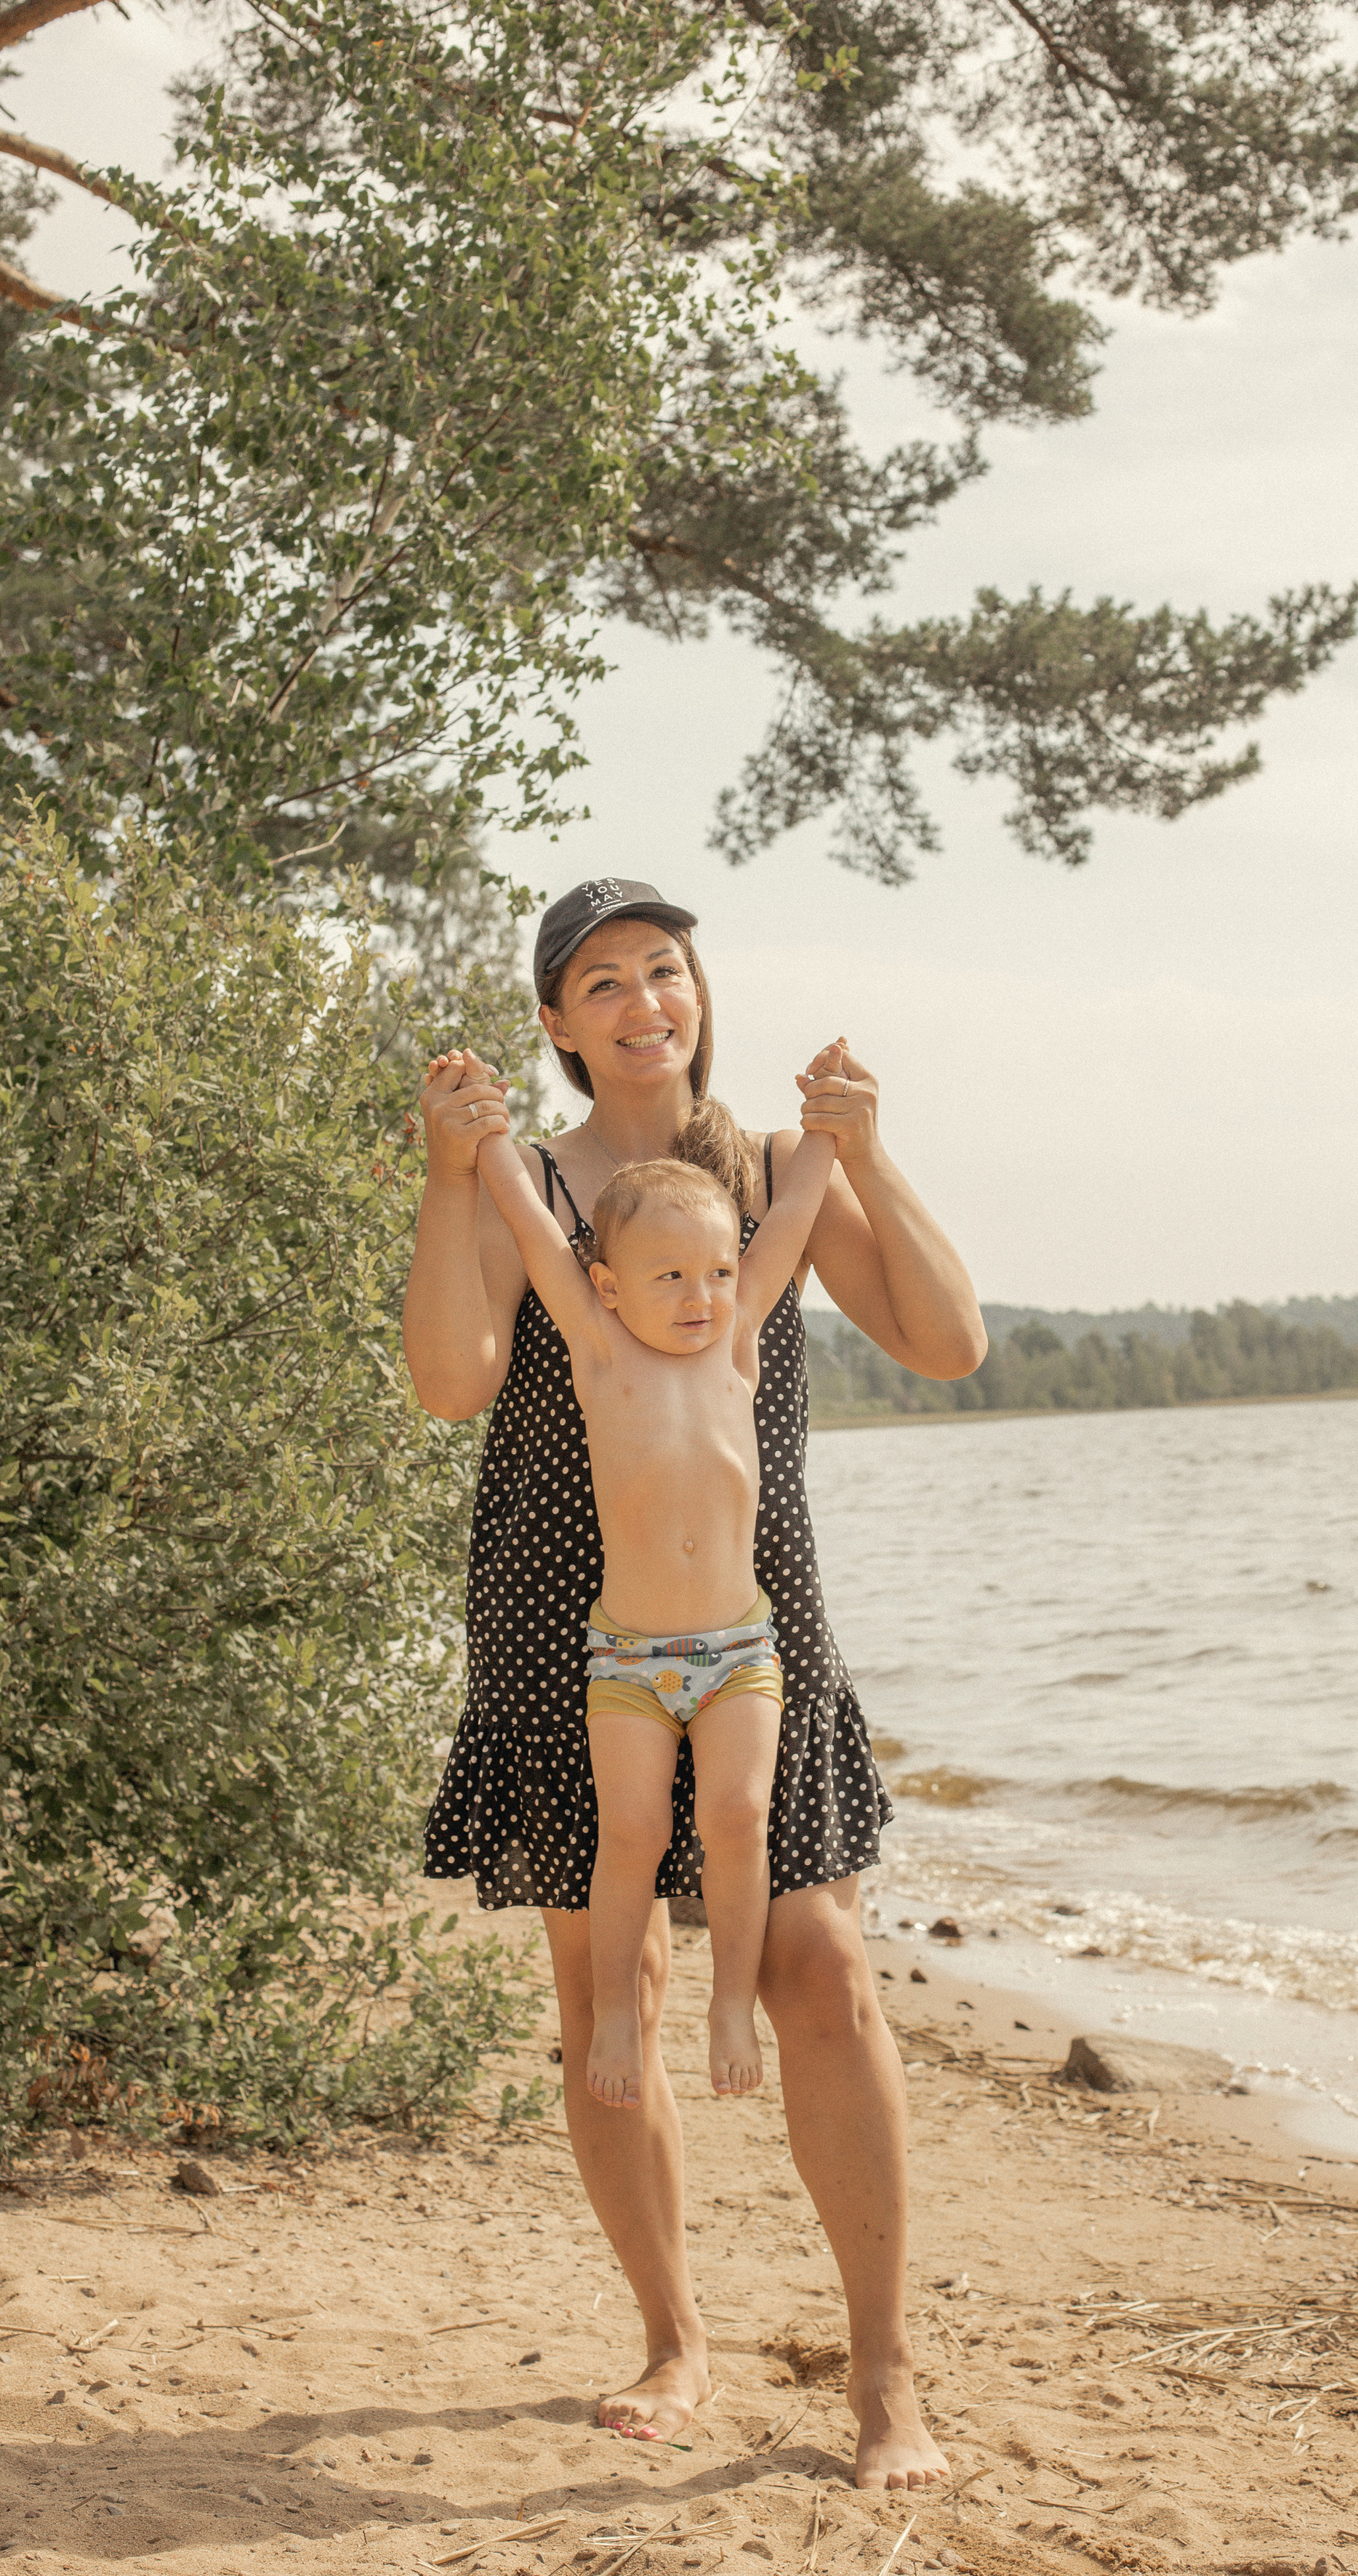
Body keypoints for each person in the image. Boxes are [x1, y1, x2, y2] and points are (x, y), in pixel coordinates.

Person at [402, 874, 986, 2490]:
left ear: (695, 991)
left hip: (749, 1616)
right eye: (602, 981)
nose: (643, 999)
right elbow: (453, 1383)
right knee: (610, 1998)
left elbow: (947, 1343)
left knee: (821, 1974)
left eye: (664, 969)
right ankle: (672, 2335)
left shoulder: (767, 1175)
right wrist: (454, 1181)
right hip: (553, 1613)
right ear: (556, 1023)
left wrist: (860, 1148)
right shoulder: (528, 1180)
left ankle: (883, 2378)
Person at [442, 1044, 842, 2109]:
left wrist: (834, 1129)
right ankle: (618, 2004)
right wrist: (480, 1145)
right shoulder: (599, 1347)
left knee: (741, 1818)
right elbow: (534, 1228)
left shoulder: (739, 1340)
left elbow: (794, 1218)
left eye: (717, 1272)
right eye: (671, 1277)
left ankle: (730, 2003)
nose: (705, 1294)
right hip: (624, 1655)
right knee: (629, 1834)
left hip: (740, 1650)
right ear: (611, 1288)